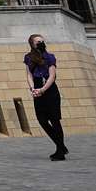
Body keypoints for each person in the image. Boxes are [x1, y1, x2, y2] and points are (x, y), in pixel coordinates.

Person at [24, 32, 68, 161]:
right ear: (32, 44)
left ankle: (60, 150)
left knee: (55, 120)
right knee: (42, 119)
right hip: (37, 88)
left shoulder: (50, 57)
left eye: (42, 41)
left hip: (50, 90)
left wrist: (42, 90)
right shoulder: (28, 57)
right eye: (38, 42)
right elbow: (29, 74)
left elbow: (52, 76)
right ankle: (61, 145)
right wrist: (33, 89)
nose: (41, 43)